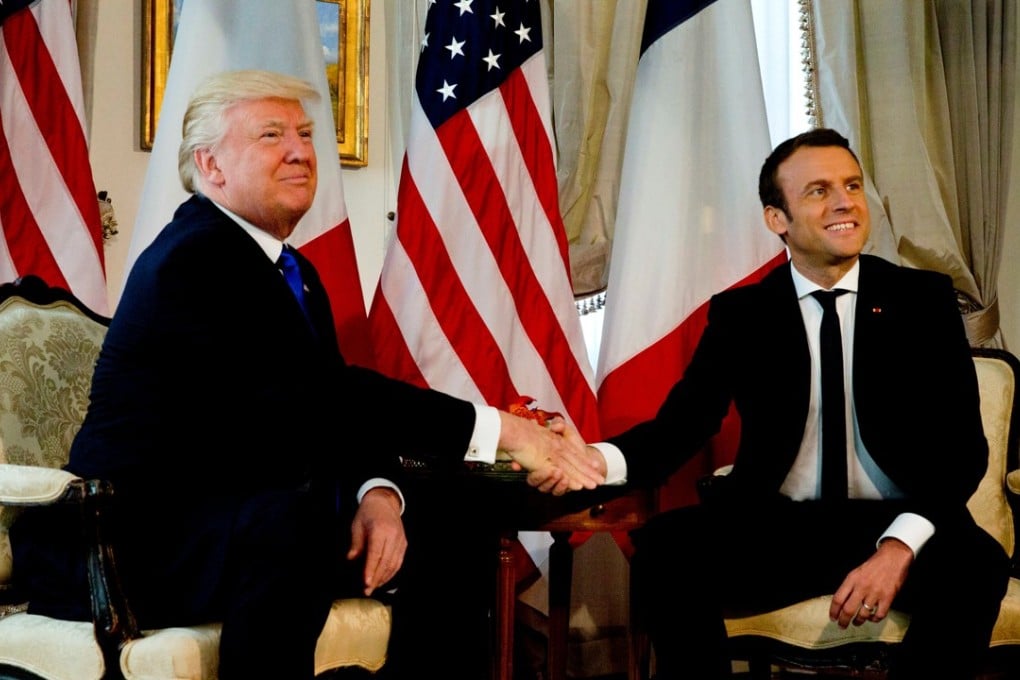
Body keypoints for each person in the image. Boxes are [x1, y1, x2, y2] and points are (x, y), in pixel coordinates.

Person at [10, 69, 601, 680]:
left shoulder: (296, 272)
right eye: (271, 135)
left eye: (305, 133)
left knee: (455, 515)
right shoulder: (197, 258)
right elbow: (326, 396)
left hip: (241, 523)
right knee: (296, 520)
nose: (299, 150)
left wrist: (378, 494)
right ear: (210, 165)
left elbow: (321, 412)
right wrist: (508, 431)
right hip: (136, 539)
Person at [533, 128, 1010, 679]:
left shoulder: (923, 301)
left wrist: (899, 548)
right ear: (775, 219)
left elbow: (962, 452)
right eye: (818, 190)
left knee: (976, 566)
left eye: (852, 185)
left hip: (896, 516)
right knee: (667, 553)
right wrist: (594, 460)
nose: (844, 202)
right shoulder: (744, 314)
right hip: (778, 525)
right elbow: (680, 428)